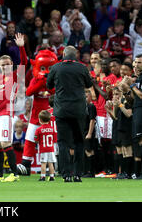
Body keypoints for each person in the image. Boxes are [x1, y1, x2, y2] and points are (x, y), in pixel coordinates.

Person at [0, 33, 27, 183]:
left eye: (8, 64)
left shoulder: (15, 75)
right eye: (3, 65)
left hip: (5, 114)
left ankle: (14, 174)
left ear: (11, 65)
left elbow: (24, 62)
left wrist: (21, 48)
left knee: (5, 143)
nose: (5, 66)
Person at [46, 46, 93, 182]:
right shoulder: (82, 68)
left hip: (61, 110)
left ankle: (66, 174)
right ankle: (78, 174)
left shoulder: (55, 68)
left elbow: (49, 86)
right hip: (78, 110)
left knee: (63, 142)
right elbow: (89, 83)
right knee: (79, 141)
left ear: (64, 54)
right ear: (76, 55)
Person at [119, 54, 142, 180]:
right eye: (135, 63)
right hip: (140, 110)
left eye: (139, 62)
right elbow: (134, 99)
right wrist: (126, 91)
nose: (136, 65)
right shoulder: (141, 77)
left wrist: (131, 85)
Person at [35, 110, 57, 182]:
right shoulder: (52, 129)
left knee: (43, 163)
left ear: (40, 120)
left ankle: (43, 176)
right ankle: (52, 177)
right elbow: (54, 139)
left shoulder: (38, 129)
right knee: (51, 163)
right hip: (51, 148)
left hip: (43, 149)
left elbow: (36, 140)